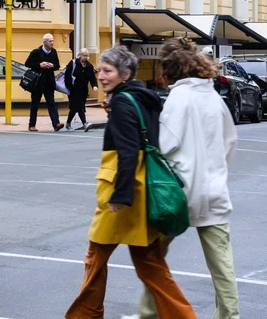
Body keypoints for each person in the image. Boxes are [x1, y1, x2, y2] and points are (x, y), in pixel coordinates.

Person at [65, 46, 196, 319]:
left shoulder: (123, 102)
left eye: (107, 71)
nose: (100, 76)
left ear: (124, 74)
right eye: (100, 70)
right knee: (151, 266)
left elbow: (127, 152)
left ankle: (84, 316)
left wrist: (119, 196)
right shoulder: (143, 99)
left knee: (95, 260)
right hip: (140, 192)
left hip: (122, 193)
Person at [135, 38, 239, 319]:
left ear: (169, 70)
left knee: (154, 258)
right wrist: (217, 172)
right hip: (215, 192)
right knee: (222, 267)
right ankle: (229, 315)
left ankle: (148, 312)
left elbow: (165, 145)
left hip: (179, 195)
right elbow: (230, 142)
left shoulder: (178, 99)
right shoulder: (214, 98)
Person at [25, 34, 63, 131]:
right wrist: (39, 65)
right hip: (38, 82)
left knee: (51, 103)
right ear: (44, 42)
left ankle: (56, 124)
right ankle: (32, 125)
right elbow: (27, 63)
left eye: (52, 41)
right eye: (50, 41)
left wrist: (51, 65)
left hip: (49, 82)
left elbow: (57, 65)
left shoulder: (53, 52)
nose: (52, 43)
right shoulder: (36, 52)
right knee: (35, 104)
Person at [64, 48, 98, 131]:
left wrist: (94, 85)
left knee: (74, 107)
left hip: (83, 91)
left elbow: (92, 78)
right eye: (84, 56)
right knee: (80, 106)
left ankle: (68, 123)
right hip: (73, 90)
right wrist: (70, 87)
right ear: (80, 55)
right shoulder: (73, 63)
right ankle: (85, 123)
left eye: (87, 56)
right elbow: (67, 77)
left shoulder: (89, 66)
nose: (86, 57)